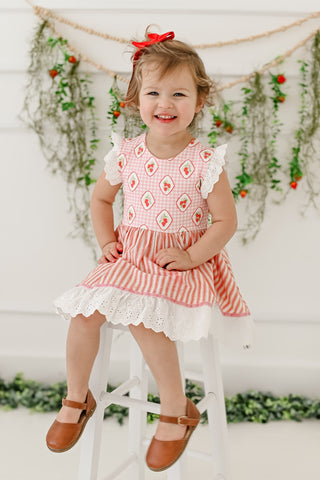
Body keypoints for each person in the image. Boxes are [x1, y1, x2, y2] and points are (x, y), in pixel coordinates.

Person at [46, 28, 253, 471]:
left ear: (199, 102)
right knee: (85, 314)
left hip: (178, 262)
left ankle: (176, 409)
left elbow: (225, 221)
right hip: (129, 257)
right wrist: (107, 242)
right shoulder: (126, 154)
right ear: (135, 101)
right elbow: (101, 200)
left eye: (179, 93)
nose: (165, 103)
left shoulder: (204, 161)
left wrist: (193, 255)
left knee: (142, 318)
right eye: (153, 92)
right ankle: (77, 398)